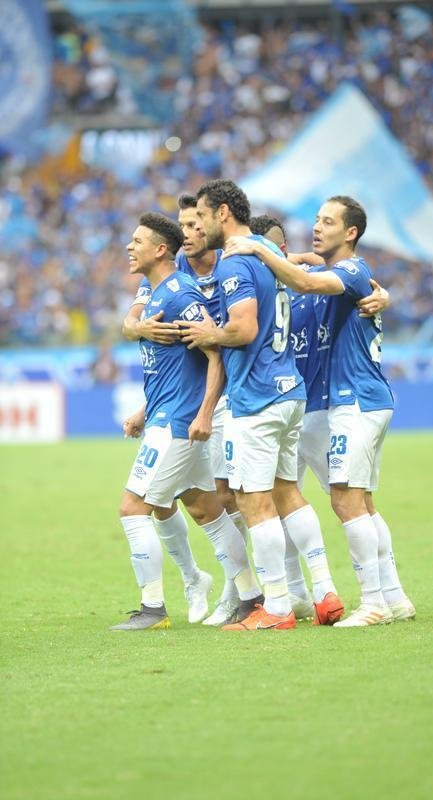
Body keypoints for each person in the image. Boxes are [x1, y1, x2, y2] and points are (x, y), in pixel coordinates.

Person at [223, 195, 415, 628]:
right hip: (311, 407)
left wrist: (258, 248)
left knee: (343, 501)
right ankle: (391, 596)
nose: (317, 227)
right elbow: (303, 279)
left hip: (348, 401)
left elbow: (325, 281)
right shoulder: (301, 279)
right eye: (315, 220)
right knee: (348, 501)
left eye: (328, 221)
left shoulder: (349, 272)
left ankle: (373, 602)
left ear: (350, 233)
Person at [178, 179, 344, 631]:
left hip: (257, 397)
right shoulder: (264, 253)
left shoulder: (236, 261)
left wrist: (210, 334)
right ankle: (325, 591)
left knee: (253, 501)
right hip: (290, 391)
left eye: (205, 216)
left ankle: (275, 607)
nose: (201, 224)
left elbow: (244, 328)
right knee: (288, 492)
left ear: (224, 214)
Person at [112, 212, 261, 630]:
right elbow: (171, 364)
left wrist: (204, 413)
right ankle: (251, 595)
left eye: (137, 240)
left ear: (160, 249)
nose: (129, 246)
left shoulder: (180, 295)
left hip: (179, 421)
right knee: (204, 509)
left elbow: (215, 353)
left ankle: (154, 608)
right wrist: (144, 410)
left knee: (133, 507)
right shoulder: (157, 294)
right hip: (166, 414)